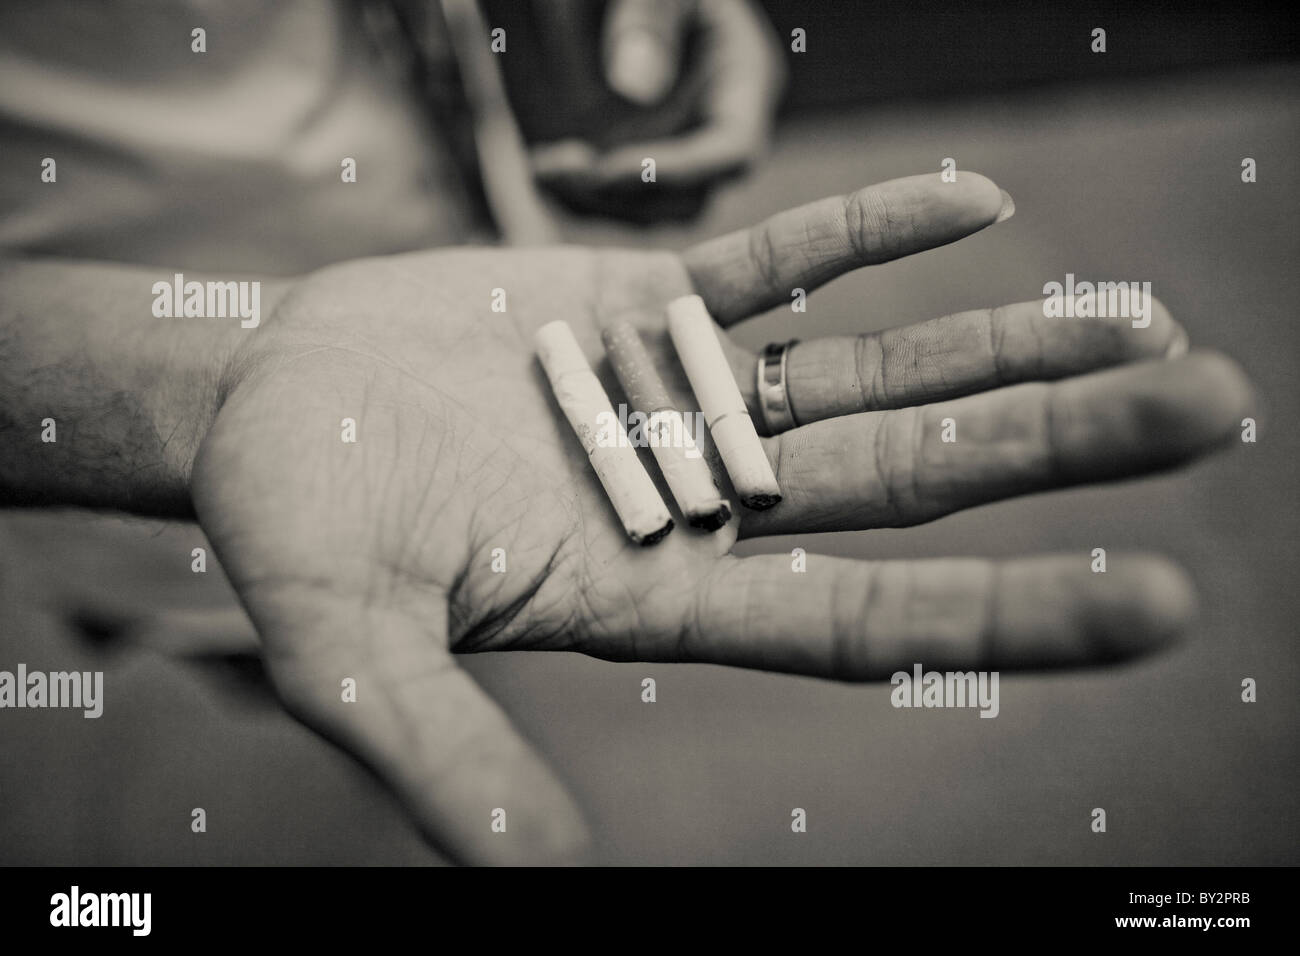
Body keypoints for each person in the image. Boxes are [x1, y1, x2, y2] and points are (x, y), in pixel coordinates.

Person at [0, 2, 1254, 865]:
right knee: (249, 619)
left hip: (477, 229)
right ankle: (261, 677)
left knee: (401, 590)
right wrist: (190, 384)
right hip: (139, 350)